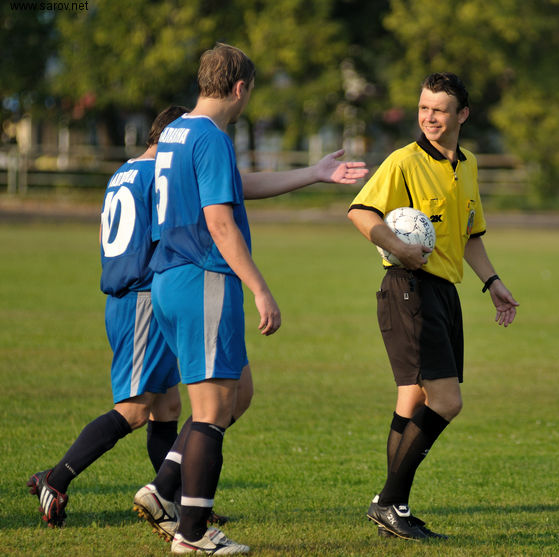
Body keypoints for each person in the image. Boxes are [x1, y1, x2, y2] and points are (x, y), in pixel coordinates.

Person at [131, 43, 367, 554]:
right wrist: (260, 288)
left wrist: (314, 173)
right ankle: (193, 533)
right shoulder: (212, 136)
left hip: (170, 277)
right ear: (240, 88)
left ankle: (163, 489)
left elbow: (235, 186)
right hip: (203, 279)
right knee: (213, 410)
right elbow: (220, 222)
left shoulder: (176, 132)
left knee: (238, 392)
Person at [347, 72, 519, 540]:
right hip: (408, 288)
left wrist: (493, 282)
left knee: (412, 399)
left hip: (444, 292)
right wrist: (398, 248)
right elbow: (360, 212)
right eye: (424, 108)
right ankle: (388, 503)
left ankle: (394, 508)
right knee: (446, 401)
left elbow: (470, 236)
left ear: (463, 115)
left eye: (439, 110)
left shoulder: (468, 164)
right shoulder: (403, 161)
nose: (429, 117)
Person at [26, 105, 190, 528]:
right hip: (141, 299)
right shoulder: (158, 176)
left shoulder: (123, 172)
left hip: (129, 295)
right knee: (134, 410)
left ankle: (178, 502)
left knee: (167, 406)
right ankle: (56, 479)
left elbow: (105, 233)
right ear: (170, 138)